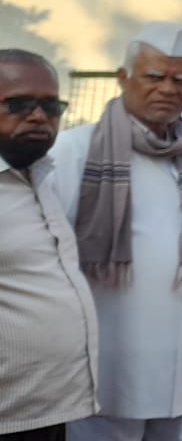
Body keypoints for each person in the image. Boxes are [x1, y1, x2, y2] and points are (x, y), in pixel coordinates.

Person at [48, 23, 182, 441]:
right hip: (107, 359)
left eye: (180, 80)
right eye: (154, 76)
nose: (168, 89)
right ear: (123, 78)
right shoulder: (75, 151)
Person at [0, 50, 98, 441]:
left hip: (46, 409)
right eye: (19, 104)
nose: (39, 116)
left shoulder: (40, 177)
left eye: (51, 106)